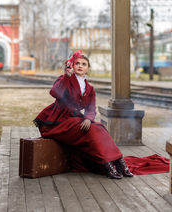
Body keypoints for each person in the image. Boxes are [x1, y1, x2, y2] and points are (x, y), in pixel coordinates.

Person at [33, 50, 133, 179]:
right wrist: (66, 76)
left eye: (84, 64)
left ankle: (119, 162)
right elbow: (54, 93)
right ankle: (107, 164)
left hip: (75, 118)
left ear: (88, 68)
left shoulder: (90, 88)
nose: (80, 66)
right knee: (93, 130)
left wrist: (88, 119)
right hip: (57, 121)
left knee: (100, 128)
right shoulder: (64, 78)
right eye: (77, 63)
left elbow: (91, 109)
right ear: (72, 66)